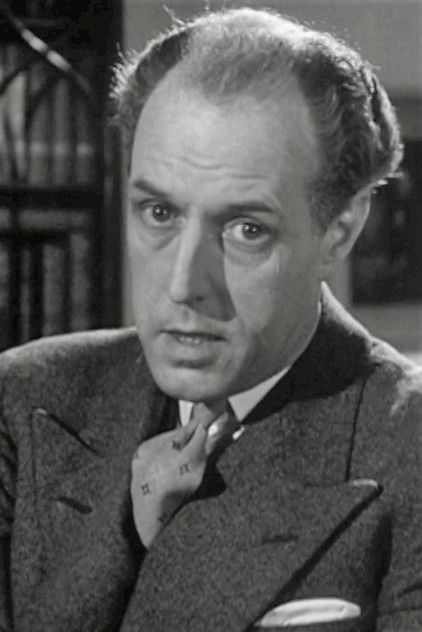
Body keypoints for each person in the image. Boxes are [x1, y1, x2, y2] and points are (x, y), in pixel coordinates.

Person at [1, 7, 422, 631]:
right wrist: (127, 537)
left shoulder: (407, 446)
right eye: (160, 214)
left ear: (340, 230)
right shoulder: (23, 403)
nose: (182, 285)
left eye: (246, 229)